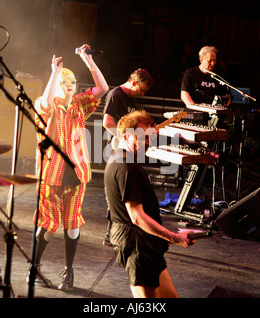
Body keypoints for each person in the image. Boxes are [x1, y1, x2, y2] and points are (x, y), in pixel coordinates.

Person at [29, 44, 109, 290]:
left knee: (72, 223)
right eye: (66, 84)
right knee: (49, 224)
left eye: (72, 83)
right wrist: (54, 72)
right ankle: (34, 269)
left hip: (77, 174)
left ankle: (68, 271)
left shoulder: (79, 105)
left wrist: (88, 60)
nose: (70, 87)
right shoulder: (45, 106)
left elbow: (103, 89)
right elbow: (46, 100)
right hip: (51, 176)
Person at [104, 110, 195, 298]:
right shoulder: (126, 167)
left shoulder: (123, 160)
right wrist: (174, 237)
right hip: (137, 246)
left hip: (147, 244)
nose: (148, 143)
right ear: (126, 136)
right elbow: (136, 216)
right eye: (143, 138)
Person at [102, 69, 154, 246]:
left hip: (127, 146)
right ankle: (111, 233)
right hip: (119, 146)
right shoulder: (116, 94)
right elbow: (107, 122)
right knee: (117, 192)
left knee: (128, 190)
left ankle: (127, 228)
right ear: (134, 82)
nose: (143, 93)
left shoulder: (132, 98)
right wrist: (124, 139)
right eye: (142, 89)